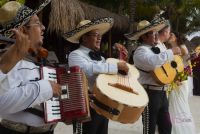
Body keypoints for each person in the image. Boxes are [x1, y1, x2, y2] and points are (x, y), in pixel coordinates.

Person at [0, 1, 62, 134]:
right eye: (38, 23)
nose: (43, 27)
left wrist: (68, 108)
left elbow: (45, 102)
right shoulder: (6, 60)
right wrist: (46, 87)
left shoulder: (42, 61)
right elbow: (1, 103)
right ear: (22, 30)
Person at [63, 17, 129, 134]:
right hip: (86, 106)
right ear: (84, 38)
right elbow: (87, 69)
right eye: (95, 35)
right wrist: (115, 67)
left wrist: (122, 62)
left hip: (103, 104)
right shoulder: (75, 55)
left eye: (100, 35)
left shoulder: (102, 58)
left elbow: (108, 77)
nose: (99, 38)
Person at [125, 19, 181, 134]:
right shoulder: (140, 51)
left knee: (166, 127)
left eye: (156, 32)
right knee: (149, 128)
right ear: (144, 37)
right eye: (152, 33)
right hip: (149, 93)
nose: (156, 35)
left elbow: (168, 64)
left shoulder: (160, 47)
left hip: (162, 93)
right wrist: (170, 52)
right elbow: (153, 62)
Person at [167, 32, 196, 134]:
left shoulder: (182, 47)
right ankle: (171, 128)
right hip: (172, 79)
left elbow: (187, 66)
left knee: (180, 104)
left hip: (181, 80)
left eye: (171, 35)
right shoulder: (169, 48)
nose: (169, 36)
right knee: (172, 104)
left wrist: (180, 77)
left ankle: (182, 129)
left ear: (176, 37)